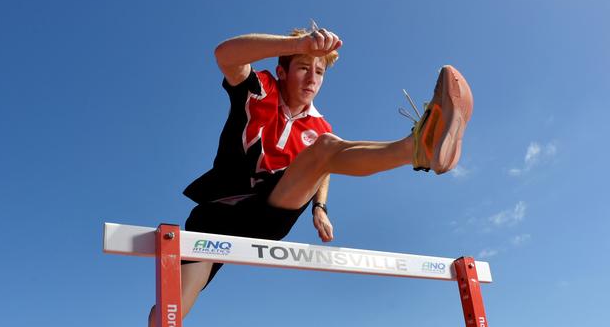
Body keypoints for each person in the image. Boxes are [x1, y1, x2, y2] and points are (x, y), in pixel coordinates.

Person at [149, 24, 473, 325]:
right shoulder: (258, 89)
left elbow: (324, 164)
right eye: (304, 68)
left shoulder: (319, 127)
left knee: (325, 148)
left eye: (319, 72)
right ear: (282, 71)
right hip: (216, 215)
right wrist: (300, 44)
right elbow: (224, 55)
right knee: (173, 303)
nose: (312, 79)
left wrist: (320, 207)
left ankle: (419, 147)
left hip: (272, 208)